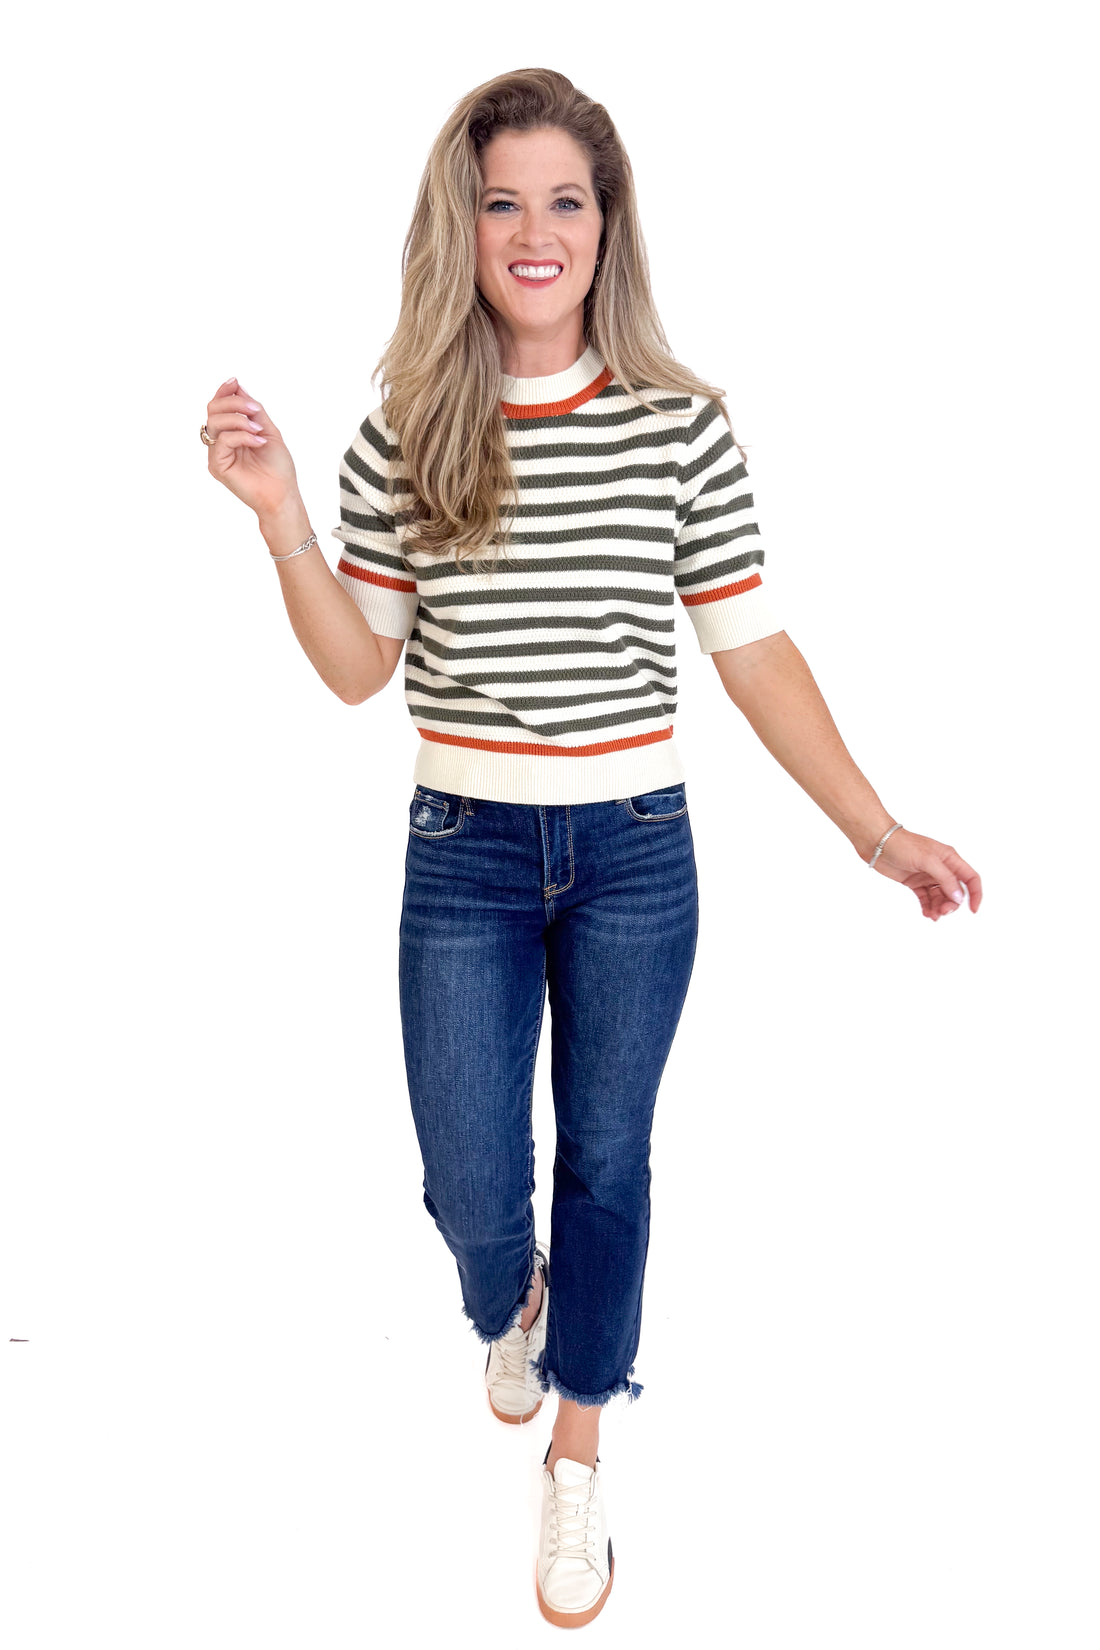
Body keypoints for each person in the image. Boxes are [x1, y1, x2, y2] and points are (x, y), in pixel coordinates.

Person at [203, 66, 982, 1630]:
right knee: (473, 1181)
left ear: (606, 225)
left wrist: (874, 825)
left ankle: (578, 1451)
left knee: (610, 1157)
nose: (535, 229)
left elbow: (753, 648)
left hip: (636, 851)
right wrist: (281, 512)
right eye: (505, 200)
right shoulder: (408, 432)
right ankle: (516, 1301)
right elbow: (362, 671)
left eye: (567, 198)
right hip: (465, 850)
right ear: (465, 225)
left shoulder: (680, 428)